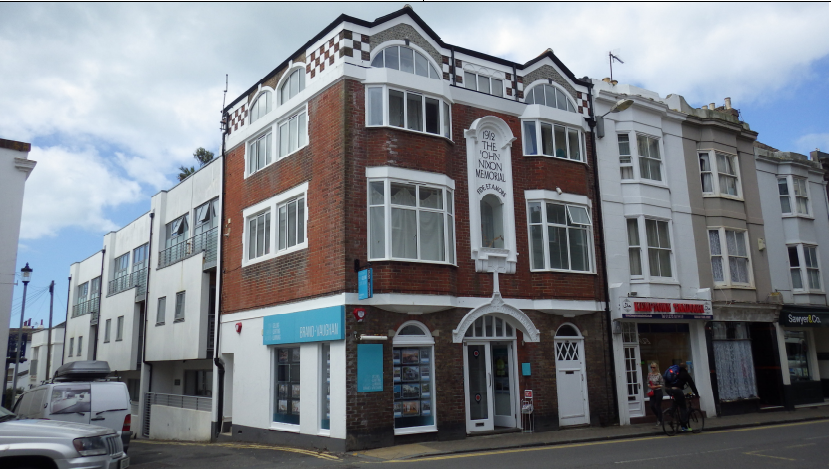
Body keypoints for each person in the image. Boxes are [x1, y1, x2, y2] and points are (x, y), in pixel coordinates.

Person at [665, 362, 700, 431]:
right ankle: (684, 426)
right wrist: (697, 394)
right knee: (683, 407)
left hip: (668, 389)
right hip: (677, 390)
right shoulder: (685, 374)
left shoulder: (675, 373)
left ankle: (671, 412)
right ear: (685, 368)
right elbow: (692, 385)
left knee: (677, 401)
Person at [646, 362, 664, 426]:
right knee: (651, 405)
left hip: (658, 391)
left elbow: (662, 384)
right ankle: (658, 416)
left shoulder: (659, 375)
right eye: (651, 367)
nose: (652, 368)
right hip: (652, 392)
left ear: (656, 368)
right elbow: (648, 383)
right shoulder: (649, 374)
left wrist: (656, 386)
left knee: (658, 406)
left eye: (653, 367)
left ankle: (660, 420)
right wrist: (650, 386)